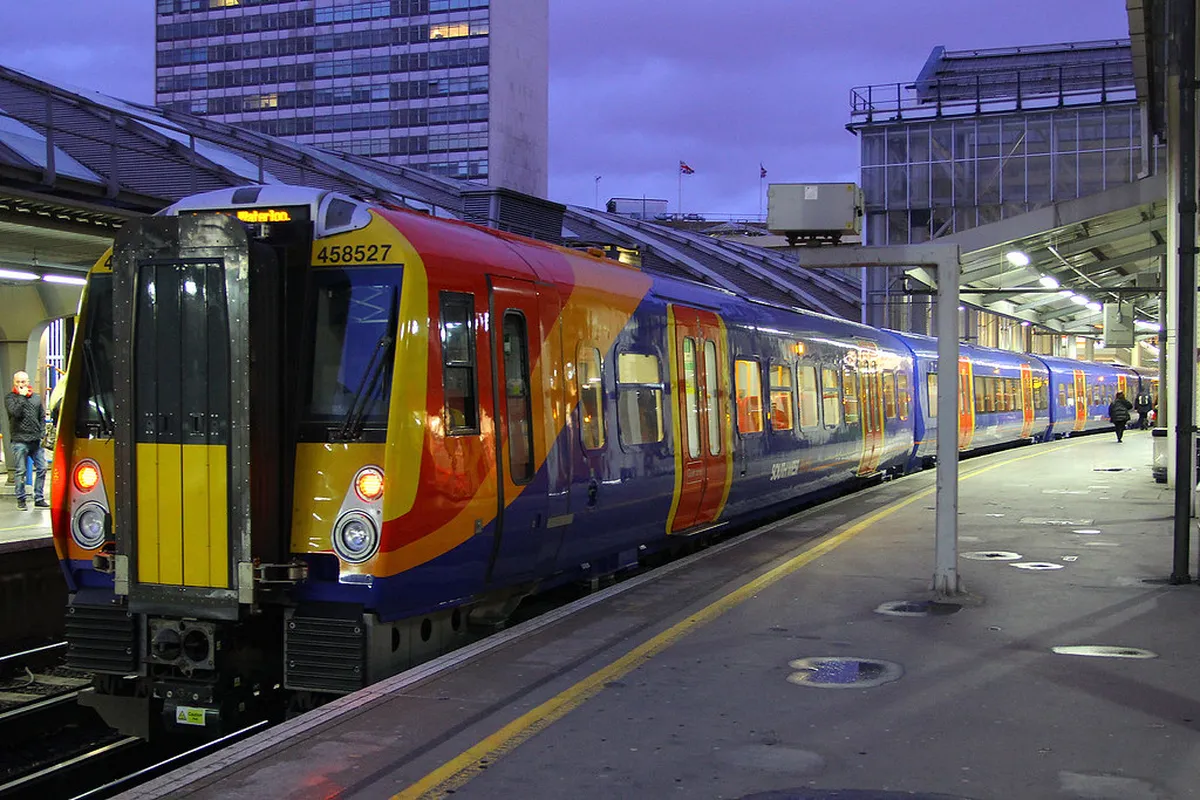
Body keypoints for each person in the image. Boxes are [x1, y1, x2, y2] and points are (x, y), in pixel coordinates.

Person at [5, 371, 48, 510]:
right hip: (19, 440)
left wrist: (42, 432)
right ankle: (21, 499)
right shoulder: (10, 398)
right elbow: (15, 413)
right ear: (14, 383)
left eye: (23, 382)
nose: (20, 385)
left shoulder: (36, 398)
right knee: (21, 471)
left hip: (35, 440)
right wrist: (22, 398)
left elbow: (41, 416)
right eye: (18, 382)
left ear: (28, 382)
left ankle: (39, 498)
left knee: (42, 468)